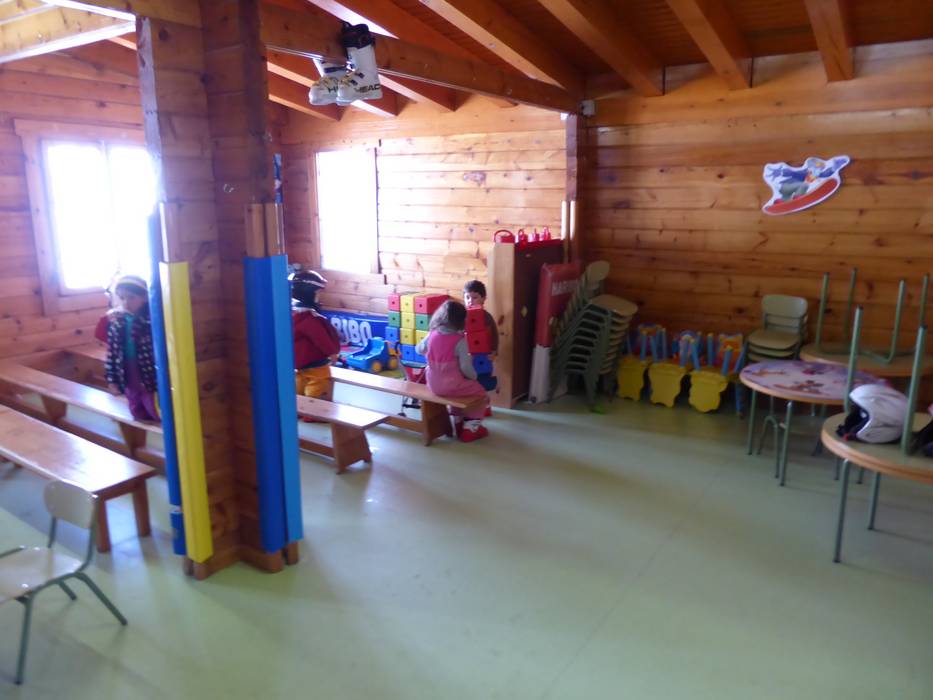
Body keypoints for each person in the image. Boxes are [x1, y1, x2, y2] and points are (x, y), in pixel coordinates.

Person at [416, 300, 488, 442]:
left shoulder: (432, 334)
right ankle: (470, 428)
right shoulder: (459, 341)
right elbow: (466, 368)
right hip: (452, 385)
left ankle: (458, 422)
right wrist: (474, 377)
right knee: (480, 393)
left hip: (433, 384)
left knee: (458, 392)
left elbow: (419, 350)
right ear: (461, 321)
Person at [94, 275, 158, 422]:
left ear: (144, 298)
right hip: (128, 373)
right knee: (136, 410)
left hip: (148, 376)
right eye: (122, 298)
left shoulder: (151, 322)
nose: (126, 303)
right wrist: (112, 380)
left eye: (131, 298)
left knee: (154, 410)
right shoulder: (117, 323)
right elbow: (112, 354)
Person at [291, 270, 341, 401]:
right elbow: (321, 339)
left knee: (300, 382)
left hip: (299, 363)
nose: (319, 297)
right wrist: (332, 353)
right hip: (316, 362)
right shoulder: (311, 319)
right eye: (318, 293)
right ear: (309, 294)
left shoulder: (293, 315)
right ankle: (314, 407)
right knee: (319, 383)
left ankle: (300, 406)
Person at [463, 279, 498, 415]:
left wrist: (494, 352)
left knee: (482, 381)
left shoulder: (487, 318)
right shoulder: (462, 316)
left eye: (475, 297)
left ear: (483, 299)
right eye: (467, 297)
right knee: (468, 381)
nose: (470, 301)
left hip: (484, 355)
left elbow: (494, 336)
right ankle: (471, 407)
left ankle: (486, 405)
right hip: (467, 356)